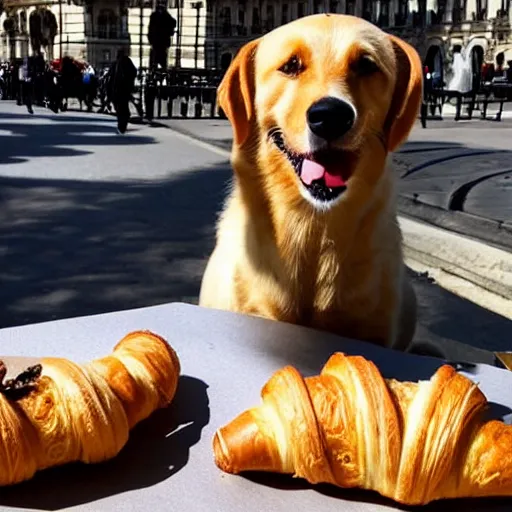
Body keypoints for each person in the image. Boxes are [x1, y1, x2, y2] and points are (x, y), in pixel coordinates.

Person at [110, 48, 137, 134]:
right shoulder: (124, 62)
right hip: (123, 89)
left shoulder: (119, 63)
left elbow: (111, 77)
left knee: (120, 108)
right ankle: (122, 124)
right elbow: (134, 71)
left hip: (119, 89)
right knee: (122, 108)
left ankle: (122, 125)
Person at [147, 3, 176, 70]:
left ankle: (156, 68)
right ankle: (160, 68)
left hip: (158, 40)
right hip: (161, 40)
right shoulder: (165, 16)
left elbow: (151, 28)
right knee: (160, 55)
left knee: (157, 55)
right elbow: (173, 23)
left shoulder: (155, 16)